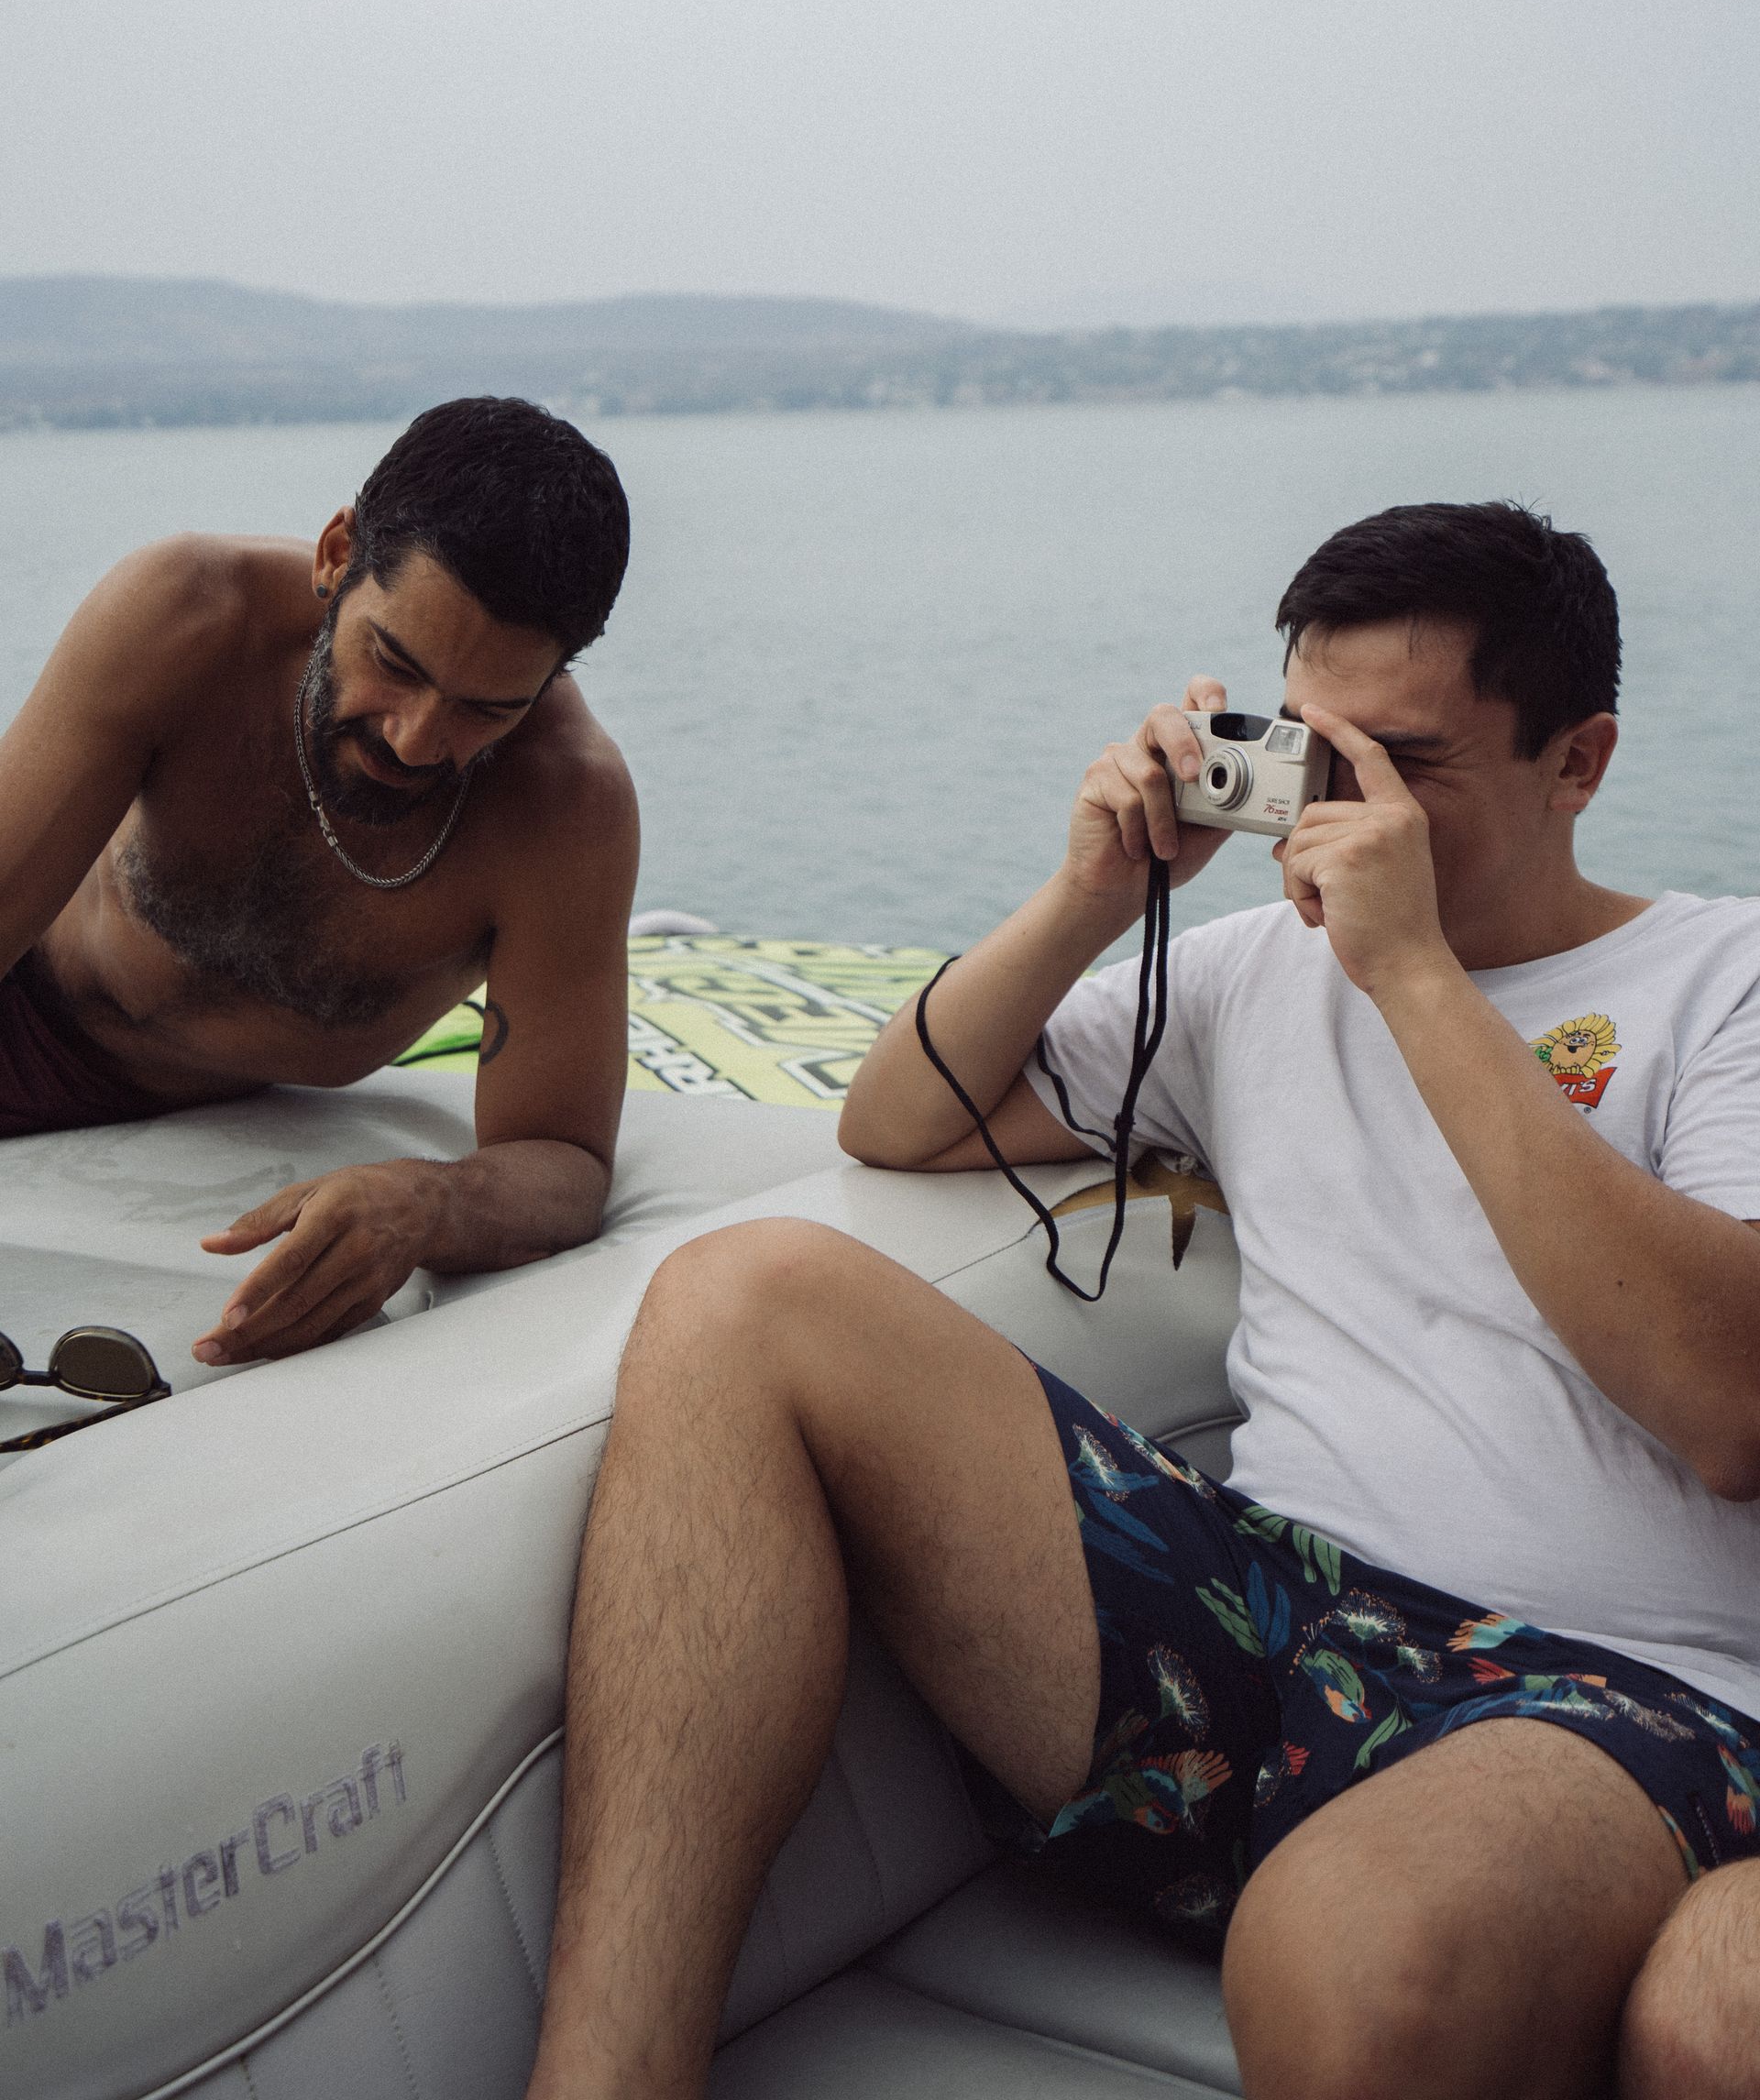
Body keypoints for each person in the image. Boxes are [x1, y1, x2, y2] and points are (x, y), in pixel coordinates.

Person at [522, 500, 1760, 2100]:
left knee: (1364, 1954)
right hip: (1275, 1612)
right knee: (743, 1298)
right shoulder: (1250, 976)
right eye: (1309, 753)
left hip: (1618, 1690)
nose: (1341, 811)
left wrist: (1416, 975)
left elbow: (1726, 1403)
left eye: (1404, 764)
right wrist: (1091, 900)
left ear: (1577, 762)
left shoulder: (1721, 982)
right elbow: (902, 1118)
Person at [0, 394, 638, 1367]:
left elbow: (568, 1162)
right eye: (394, 662)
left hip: (185, 1104)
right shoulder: (187, 615)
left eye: (486, 710)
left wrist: (427, 1203)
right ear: (338, 555)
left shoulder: (565, 810)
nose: (414, 739)